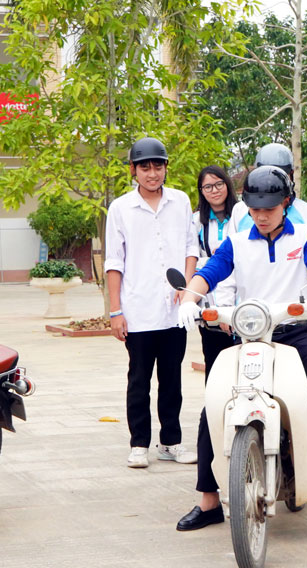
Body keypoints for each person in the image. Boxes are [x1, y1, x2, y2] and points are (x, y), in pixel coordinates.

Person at [173, 166, 307, 531]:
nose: (262, 215)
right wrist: (190, 299)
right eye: (255, 208)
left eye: (270, 207)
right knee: (213, 409)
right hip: (249, 334)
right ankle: (209, 501)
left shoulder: (306, 234)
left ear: (286, 202)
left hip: (293, 330)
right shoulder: (235, 240)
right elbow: (211, 271)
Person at [104, 137, 199, 468]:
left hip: (174, 312)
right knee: (139, 379)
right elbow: (114, 263)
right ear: (133, 170)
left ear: (165, 168)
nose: (152, 173)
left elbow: (191, 248)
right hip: (139, 308)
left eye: (157, 166)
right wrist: (115, 312)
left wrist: (186, 287)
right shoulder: (121, 209)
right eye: (145, 166)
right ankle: (139, 443)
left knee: (172, 380)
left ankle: (171, 442)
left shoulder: (181, 201)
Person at [193, 166, 240, 375]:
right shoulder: (196, 221)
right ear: (201, 191)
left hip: (242, 302)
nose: (214, 190)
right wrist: (211, 261)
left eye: (219, 184)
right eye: (208, 186)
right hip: (210, 304)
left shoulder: (244, 215)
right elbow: (192, 260)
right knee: (215, 364)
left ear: (227, 184)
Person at [229, 143, 307, 235]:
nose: (272, 182)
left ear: (291, 174)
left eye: (280, 176)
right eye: (265, 175)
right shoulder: (240, 210)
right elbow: (231, 245)